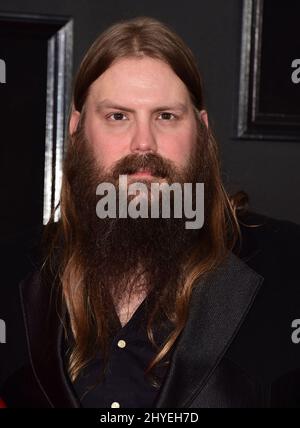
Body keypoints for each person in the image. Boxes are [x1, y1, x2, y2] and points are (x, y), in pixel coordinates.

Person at [1, 16, 300, 408]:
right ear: (77, 130)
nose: (144, 143)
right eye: (118, 116)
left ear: (201, 131)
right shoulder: (11, 269)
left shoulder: (288, 266)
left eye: (166, 116)